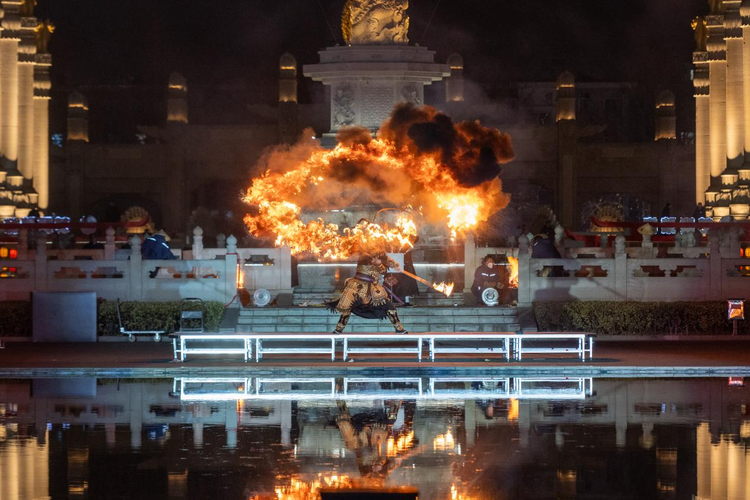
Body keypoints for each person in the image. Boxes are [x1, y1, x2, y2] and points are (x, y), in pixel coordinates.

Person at [327, 253, 408, 334]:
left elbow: (383, 269)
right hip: (357, 287)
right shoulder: (364, 257)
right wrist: (382, 262)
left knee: (390, 306)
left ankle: (399, 329)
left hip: (373, 289)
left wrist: (393, 264)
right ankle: (338, 330)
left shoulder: (378, 257)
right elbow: (372, 260)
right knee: (346, 309)